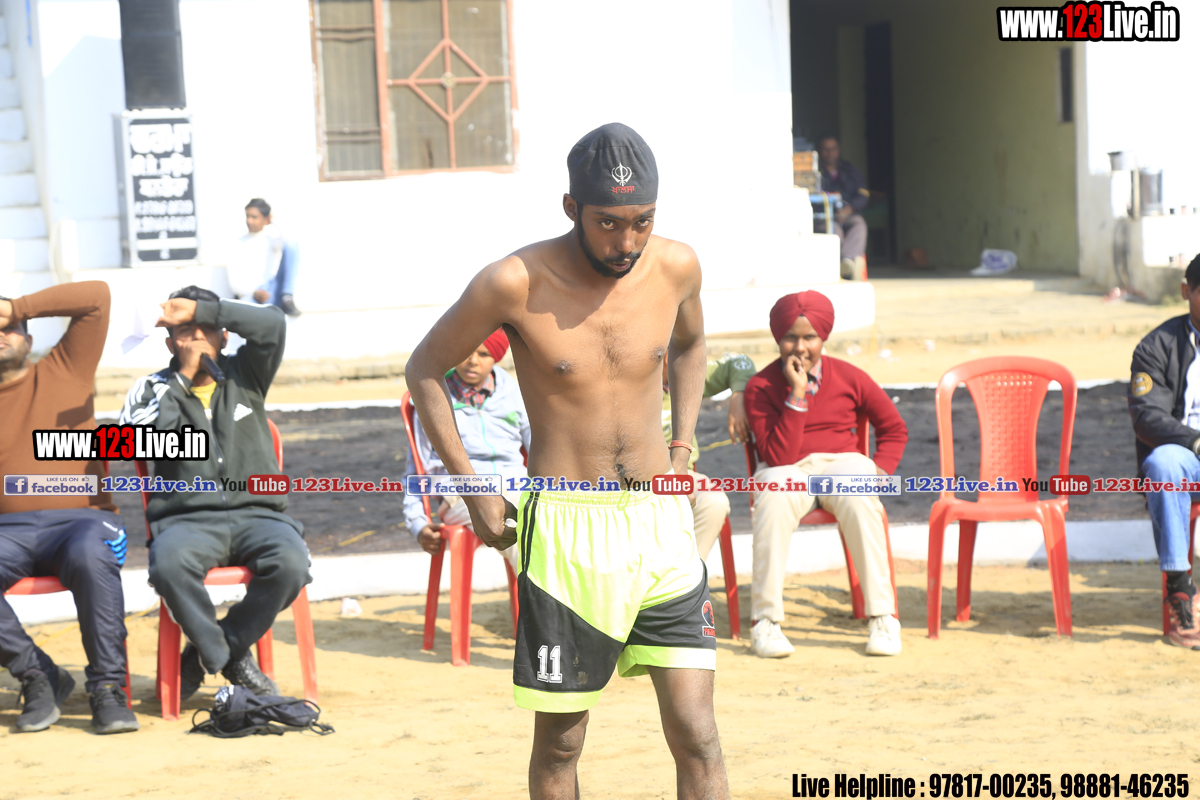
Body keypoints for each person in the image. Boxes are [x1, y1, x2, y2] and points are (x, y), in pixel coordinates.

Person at [406, 123, 729, 799]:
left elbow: (691, 345)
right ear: (571, 208)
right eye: (609, 223)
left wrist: (682, 446)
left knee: (697, 731)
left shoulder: (677, 267)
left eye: (642, 222)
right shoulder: (514, 281)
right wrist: (472, 488)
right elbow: (425, 369)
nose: (627, 242)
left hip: (659, 522)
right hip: (567, 530)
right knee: (562, 743)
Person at [119, 286, 310, 698]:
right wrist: (182, 380)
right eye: (185, 331)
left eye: (207, 328)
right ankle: (228, 658)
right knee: (169, 567)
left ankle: (211, 652)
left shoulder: (246, 373)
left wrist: (203, 309)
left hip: (260, 516)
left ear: (224, 336)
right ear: (170, 343)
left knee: (291, 563)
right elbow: (137, 441)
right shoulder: (151, 388)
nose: (197, 338)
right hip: (186, 521)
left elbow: (273, 323)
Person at [0, 282, 139, 734]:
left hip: (83, 522)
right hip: (7, 531)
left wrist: (15, 307)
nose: (1, 333)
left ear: (29, 338)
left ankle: (107, 688)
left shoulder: (65, 369)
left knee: (90, 554)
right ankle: (38, 675)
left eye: (10, 327)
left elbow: (97, 297)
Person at [743, 290, 907, 658]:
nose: (800, 347)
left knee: (858, 488)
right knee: (773, 491)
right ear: (777, 338)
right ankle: (765, 622)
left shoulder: (851, 377)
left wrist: (881, 472)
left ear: (823, 338)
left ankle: (883, 618)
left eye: (810, 337)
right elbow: (778, 456)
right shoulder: (761, 387)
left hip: (842, 464)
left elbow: (894, 428)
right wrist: (797, 394)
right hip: (789, 470)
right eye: (790, 337)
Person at [403, 329, 529, 573]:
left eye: (484, 354)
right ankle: (545, 596)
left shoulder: (516, 393)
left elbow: (539, 448)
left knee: (552, 526)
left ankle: (547, 594)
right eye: (467, 352)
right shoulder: (432, 398)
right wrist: (417, 523)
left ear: (497, 357)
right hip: (462, 496)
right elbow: (415, 469)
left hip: (517, 486)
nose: (473, 361)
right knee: (523, 532)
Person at [1128, 253, 1200, 649]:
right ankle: (1180, 590)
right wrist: (1196, 441)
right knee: (1163, 463)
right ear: (1186, 291)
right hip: (1186, 457)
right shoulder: (1157, 346)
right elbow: (1147, 417)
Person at [661, 352, 756, 559]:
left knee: (714, 502)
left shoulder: (683, 374)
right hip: (629, 480)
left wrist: (738, 396)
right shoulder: (623, 384)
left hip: (680, 474)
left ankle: (689, 573)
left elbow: (741, 362)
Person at [227, 198, 301, 317]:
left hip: (272, 290)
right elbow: (234, 283)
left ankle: (287, 298)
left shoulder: (272, 240)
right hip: (252, 296)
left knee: (291, 245)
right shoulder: (238, 243)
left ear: (266, 219)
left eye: (254, 217)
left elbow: (291, 242)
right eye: (247, 216)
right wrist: (254, 292)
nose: (249, 220)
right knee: (245, 307)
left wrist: (273, 221)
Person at [817, 136, 870, 281]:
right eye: (826, 149)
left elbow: (863, 195)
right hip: (826, 216)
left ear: (839, 150)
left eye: (833, 149)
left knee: (859, 224)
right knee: (835, 231)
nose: (830, 153)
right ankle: (843, 266)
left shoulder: (850, 170)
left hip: (848, 213)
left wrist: (850, 209)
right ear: (820, 151)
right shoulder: (815, 172)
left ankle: (848, 260)